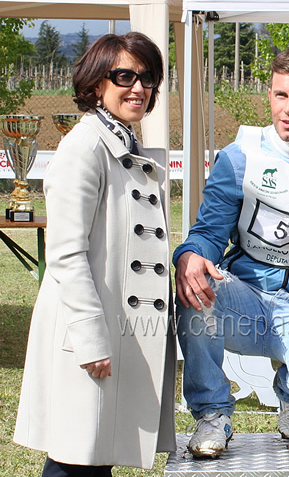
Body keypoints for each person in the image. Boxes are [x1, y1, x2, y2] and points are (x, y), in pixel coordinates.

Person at [174, 46, 289, 458]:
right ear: (269, 95)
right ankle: (213, 414)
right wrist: (189, 256)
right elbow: (208, 232)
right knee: (194, 290)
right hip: (247, 299)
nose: (288, 109)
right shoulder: (240, 156)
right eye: (280, 95)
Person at [14, 32, 176, 475]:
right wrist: (90, 338)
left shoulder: (124, 143)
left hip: (119, 331)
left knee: (94, 454)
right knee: (76, 457)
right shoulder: (84, 147)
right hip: (90, 333)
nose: (139, 88)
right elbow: (67, 255)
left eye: (147, 78)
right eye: (124, 75)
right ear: (95, 84)